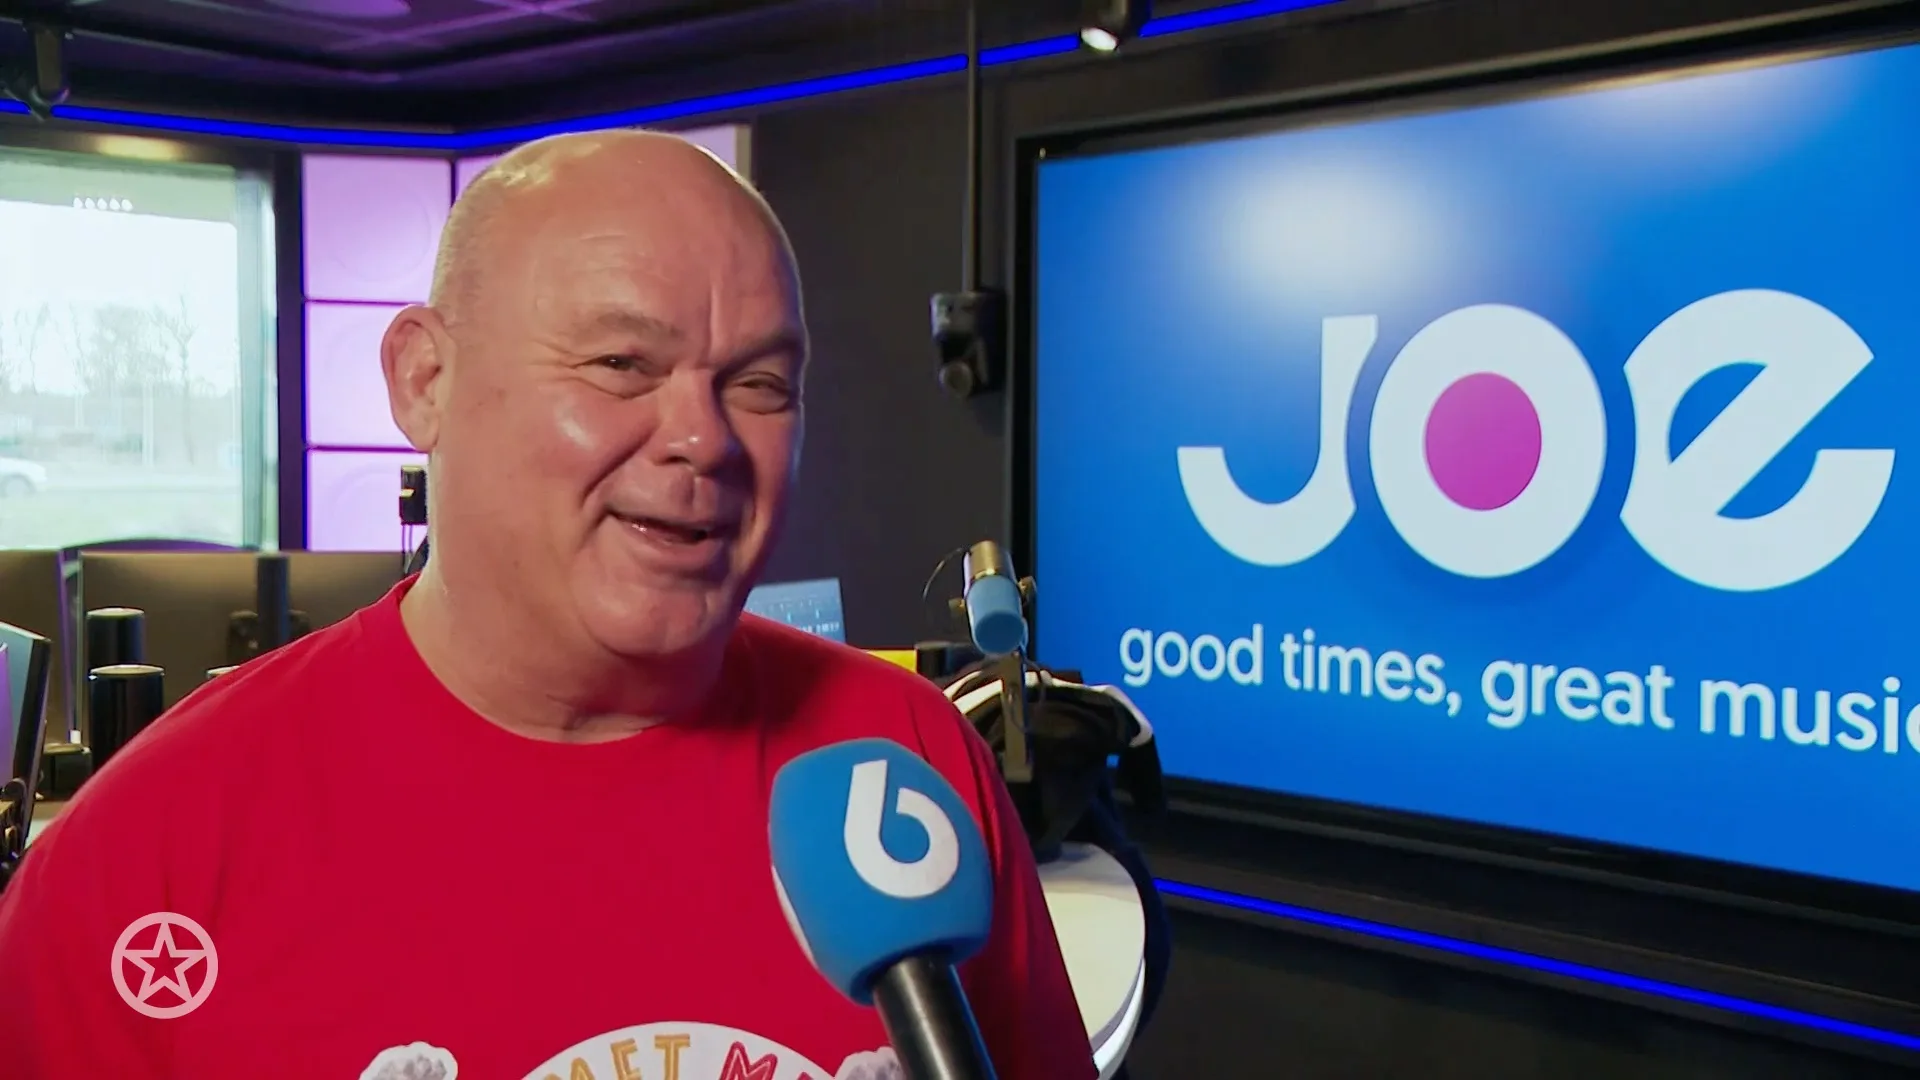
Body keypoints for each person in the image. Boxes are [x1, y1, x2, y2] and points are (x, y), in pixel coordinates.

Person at [0, 130, 1093, 1080]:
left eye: (760, 384)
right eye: (621, 363)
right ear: (424, 381)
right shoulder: (144, 851)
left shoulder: (904, 764)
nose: (704, 439)